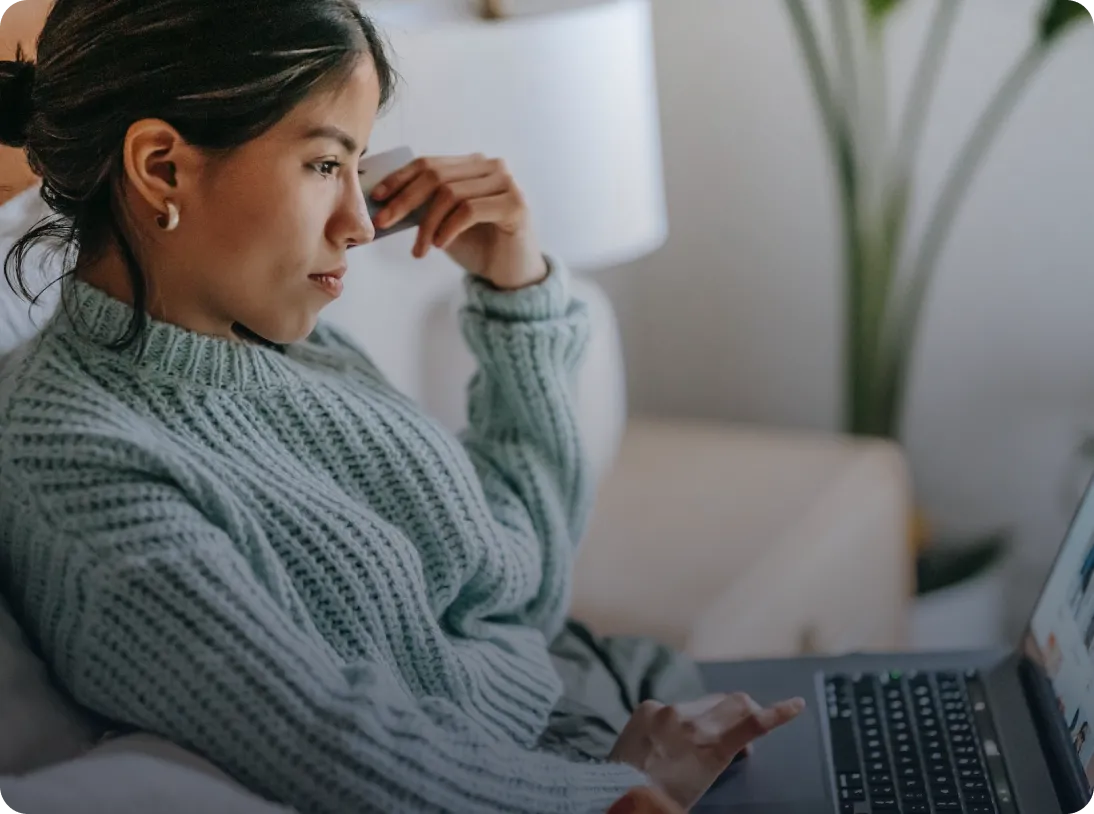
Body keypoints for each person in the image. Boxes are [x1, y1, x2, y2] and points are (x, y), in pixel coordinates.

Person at [0, 2, 805, 813]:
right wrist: (617, 793)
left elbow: (515, 587)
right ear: (161, 167)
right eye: (323, 165)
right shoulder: (75, 456)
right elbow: (325, 739)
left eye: (359, 166)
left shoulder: (285, 348)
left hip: (591, 712)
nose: (357, 223)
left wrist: (513, 292)